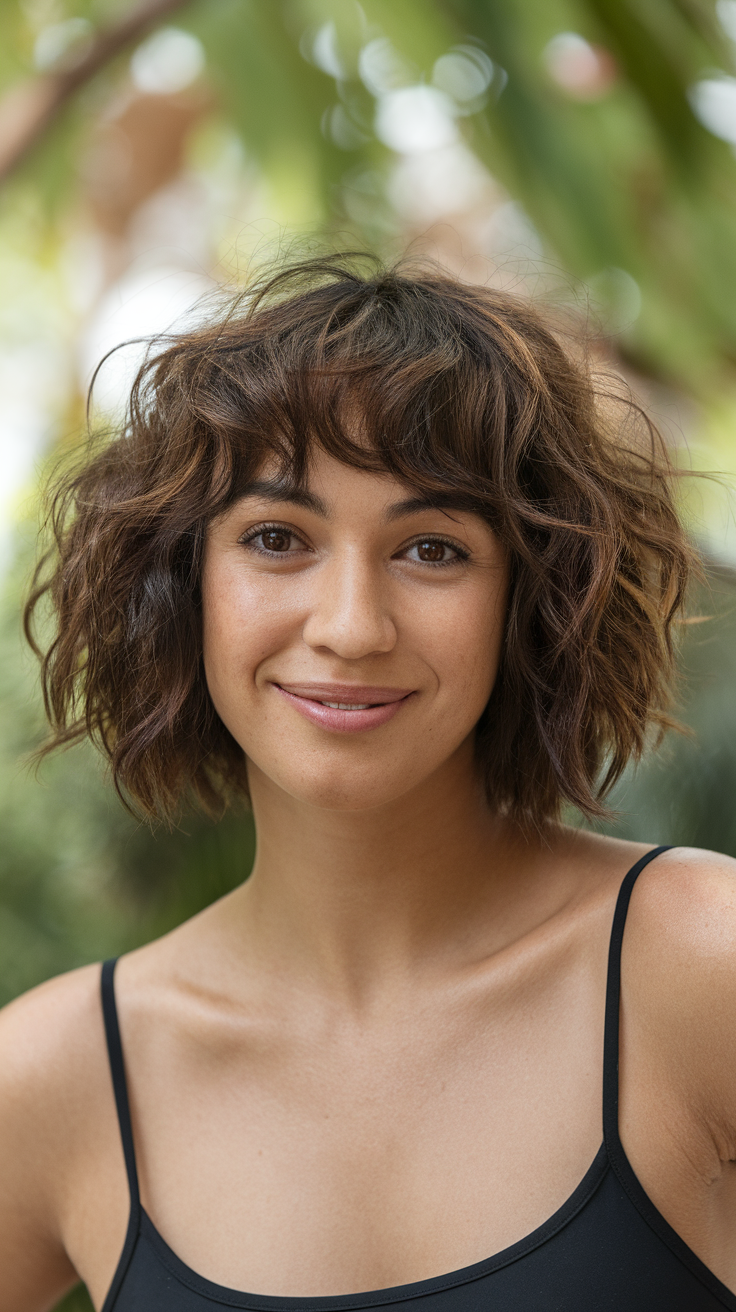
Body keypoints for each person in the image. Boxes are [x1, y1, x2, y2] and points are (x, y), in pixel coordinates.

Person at [1, 255, 735, 1312]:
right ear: (180, 583)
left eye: (432, 548)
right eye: (275, 539)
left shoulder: (696, 965)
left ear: (529, 599)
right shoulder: (58, 1073)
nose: (350, 625)